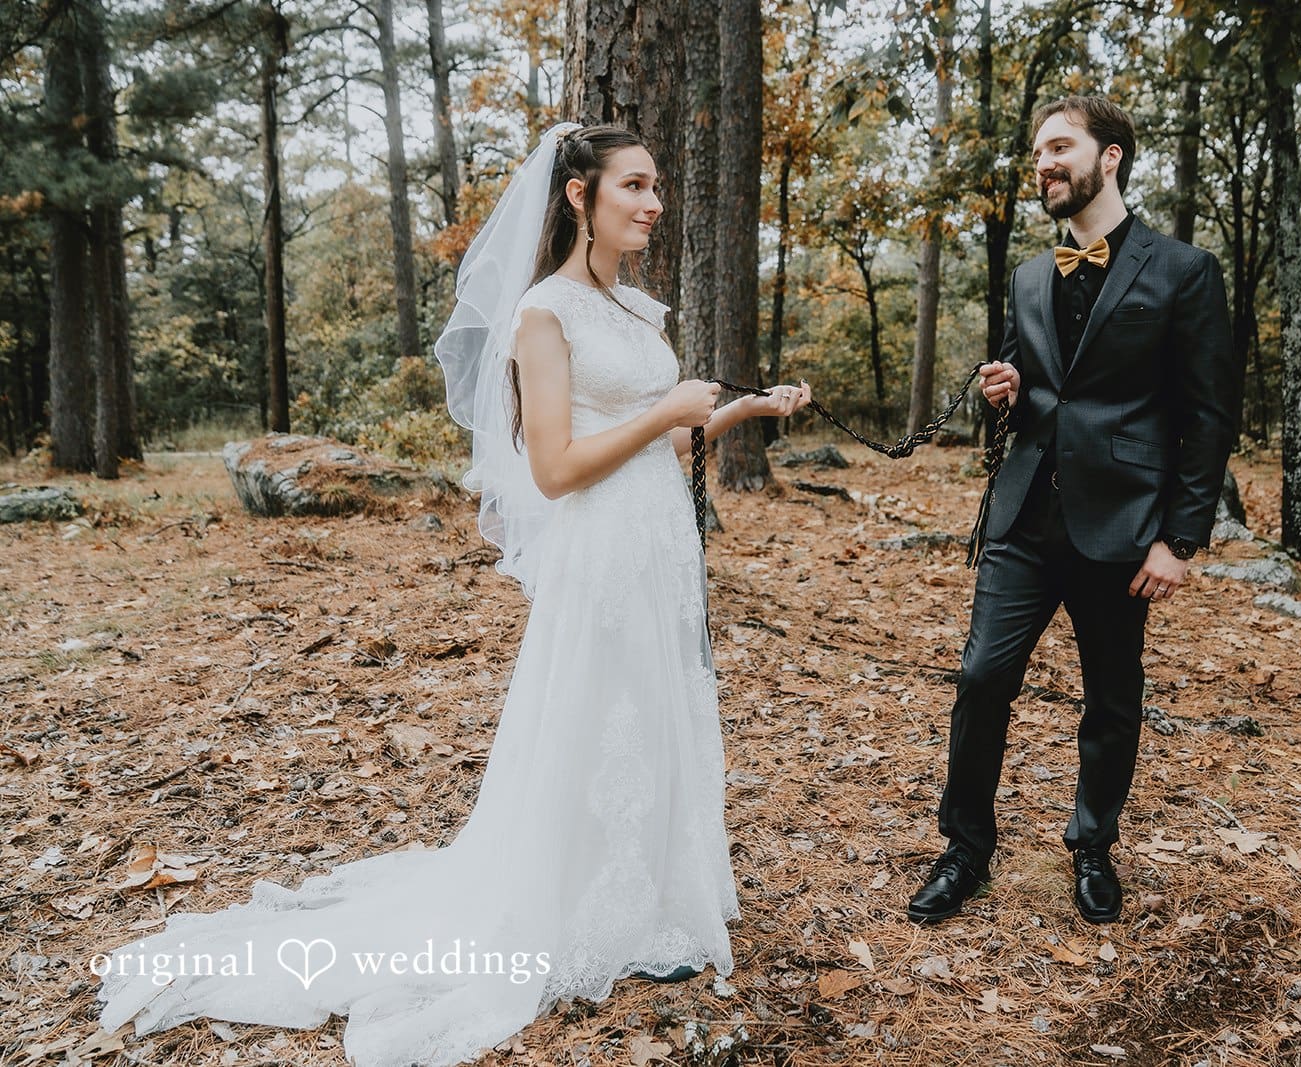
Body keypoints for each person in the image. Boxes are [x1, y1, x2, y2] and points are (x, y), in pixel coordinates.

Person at [93, 122, 811, 1067]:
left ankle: (651, 898)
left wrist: (729, 415)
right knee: (601, 719)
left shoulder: (638, 311)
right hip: (597, 556)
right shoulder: (542, 315)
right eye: (634, 186)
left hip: (658, 549)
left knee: (655, 710)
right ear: (577, 197)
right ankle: (577, 902)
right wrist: (661, 411)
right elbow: (555, 469)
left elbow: (664, 444)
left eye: (657, 187)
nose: (653, 202)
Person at [907, 96, 1239, 926]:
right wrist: (1003, 392)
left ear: (1112, 156)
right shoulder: (1027, 274)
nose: (1044, 163)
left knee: (1112, 698)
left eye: (1061, 146)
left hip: (1123, 527)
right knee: (982, 679)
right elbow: (1025, 395)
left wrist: (1181, 538)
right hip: (1023, 517)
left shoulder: (1184, 271)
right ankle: (966, 848)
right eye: (1038, 152)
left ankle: (1093, 845)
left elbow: (1208, 416)